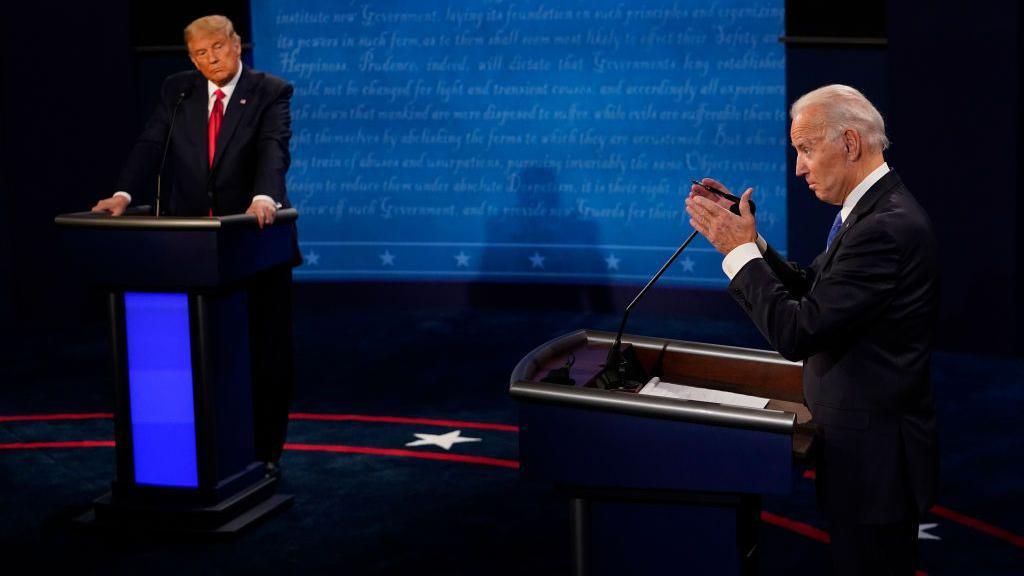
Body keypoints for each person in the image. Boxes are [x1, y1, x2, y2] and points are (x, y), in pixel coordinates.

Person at [685, 84, 939, 575]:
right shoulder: (872, 212)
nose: (798, 167)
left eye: (805, 149)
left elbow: (798, 331)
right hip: (863, 456)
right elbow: (819, 291)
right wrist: (752, 241)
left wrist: (738, 255)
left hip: (876, 466)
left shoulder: (884, 228)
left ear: (849, 143)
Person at [92, 15, 296, 472]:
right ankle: (200, 454)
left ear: (236, 44)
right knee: (196, 355)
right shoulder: (178, 90)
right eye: (200, 54)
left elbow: (273, 147)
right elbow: (150, 143)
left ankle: (265, 454)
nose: (211, 60)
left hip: (252, 243)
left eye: (217, 49)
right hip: (187, 248)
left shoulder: (270, 91)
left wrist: (265, 195)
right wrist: (124, 193)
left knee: (263, 352)